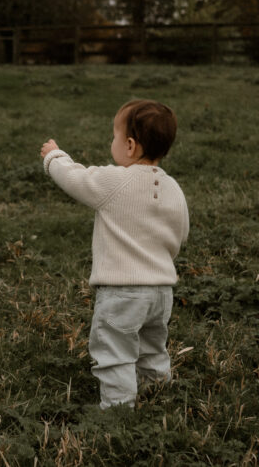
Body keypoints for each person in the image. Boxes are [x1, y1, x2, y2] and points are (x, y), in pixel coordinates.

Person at [40, 99, 189, 410]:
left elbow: (76, 179)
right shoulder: (174, 188)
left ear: (131, 146)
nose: (114, 142)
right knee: (152, 349)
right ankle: (159, 394)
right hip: (161, 291)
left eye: (115, 136)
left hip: (122, 293)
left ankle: (119, 413)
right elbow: (180, 235)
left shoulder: (114, 181)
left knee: (115, 353)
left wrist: (55, 156)